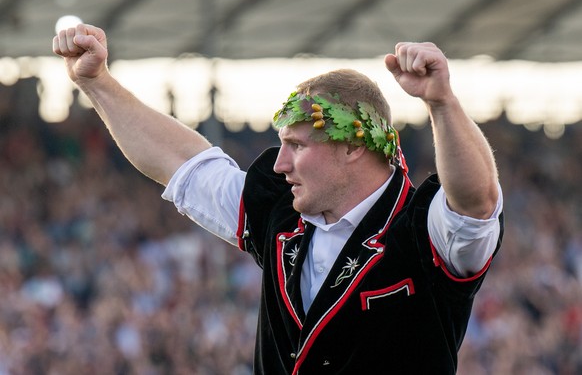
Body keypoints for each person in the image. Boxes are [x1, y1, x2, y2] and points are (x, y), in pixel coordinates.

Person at [53, 24, 503, 374]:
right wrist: (97, 83)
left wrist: (441, 102)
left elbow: (476, 203)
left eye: (298, 146)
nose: (280, 163)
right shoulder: (282, 213)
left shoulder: (422, 229)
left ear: (352, 147)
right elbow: (181, 164)